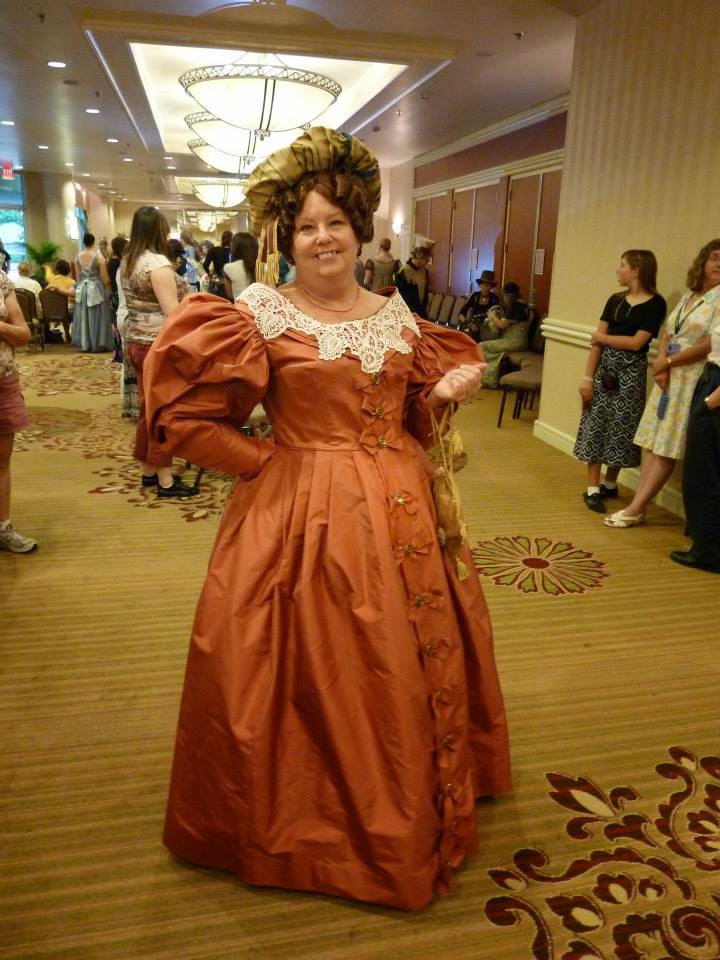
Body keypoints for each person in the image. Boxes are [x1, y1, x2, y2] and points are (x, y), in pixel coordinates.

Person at [143, 126, 511, 911]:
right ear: (287, 237)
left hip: (403, 509)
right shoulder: (259, 315)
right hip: (301, 519)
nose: (322, 239)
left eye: (335, 223)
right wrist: (267, 464)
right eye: (306, 226)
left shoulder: (396, 314)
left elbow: (411, 412)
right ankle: (313, 823)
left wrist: (441, 395)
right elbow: (186, 417)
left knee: (399, 659)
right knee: (315, 671)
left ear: (358, 229)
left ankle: (409, 796)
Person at [604, 239, 719, 528]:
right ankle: (639, 504)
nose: (719, 264)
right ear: (703, 261)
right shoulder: (691, 295)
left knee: (667, 444)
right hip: (668, 375)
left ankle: (636, 507)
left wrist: (668, 361)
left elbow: (710, 343)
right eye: (715, 257)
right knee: (653, 440)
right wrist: (662, 364)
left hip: (692, 378)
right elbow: (669, 330)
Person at [574, 250, 666, 513]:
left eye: (623, 265)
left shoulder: (656, 304)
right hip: (605, 368)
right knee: (596, 422)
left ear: (636, 270)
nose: (618, 270)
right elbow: (597, 343)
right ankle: (593, 487)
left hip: (631, 372)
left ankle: (610, 483)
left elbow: (637, 342)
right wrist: (587, 378)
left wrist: (603, 339)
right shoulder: (614, 300)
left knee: (622, 425)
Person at [119, 207, 195, 498]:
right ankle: (166, 479)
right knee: (163, 411)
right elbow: (172, 313)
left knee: (149, 409)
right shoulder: (157, 264)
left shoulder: (128, 261)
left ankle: (149, 470)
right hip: (158, 345)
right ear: (159, 230)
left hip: (137, 342)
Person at [670, 298, 720, 572]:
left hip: (716, 388)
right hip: (711, 379)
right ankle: (706, 543)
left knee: (703, 473)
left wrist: (711, 401)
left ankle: (708, 551)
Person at [0, 269, 36, 553]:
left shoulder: (1, 279)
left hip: (3, 380)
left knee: (1, 461)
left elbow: (23, 334)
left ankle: (3, 528)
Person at [478, 281, 529, 387]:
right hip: (519, 341)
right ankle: (489, 376)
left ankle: (488, 379)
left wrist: (493, 317)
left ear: (509, 295)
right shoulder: (523, 306)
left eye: (504, 296)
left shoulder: (516, 307)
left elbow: (502, 325)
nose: (504, 299)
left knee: (481, 346)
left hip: (514, 342)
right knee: (491, 347)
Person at [72, 232, 112, 352]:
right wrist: (108, 289)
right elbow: (104, 278)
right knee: (97, 315)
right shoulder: (98, 257)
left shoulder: (77, 257)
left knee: (84, 315)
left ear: (84, 242)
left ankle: (86, 343)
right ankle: (97, 342)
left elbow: (78, 277)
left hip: (83, 288)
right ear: (93, 242)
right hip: (96, 288)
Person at [394, 238, 433, 316]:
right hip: (407, 313)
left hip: (421, 313)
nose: (427, 262)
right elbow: (399, 296)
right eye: (426, 259)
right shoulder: (404, 271)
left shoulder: (425, 271)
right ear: (418, 255)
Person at [457, 270, 499, 341]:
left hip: (486, 329)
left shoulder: (494, 299)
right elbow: (461, 314)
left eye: (490, 286)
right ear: (480, 285)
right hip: (471, 324)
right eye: (486, 285)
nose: (488, 288)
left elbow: (496, 318)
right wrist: (467, 323)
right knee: (464, 334)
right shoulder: (475, 296)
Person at [107, 236, 127, 364]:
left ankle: (118, 350)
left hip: (114, 293)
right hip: (119, 293)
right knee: (118, 323)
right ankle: (119, 351)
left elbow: (108, 281)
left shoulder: (110, 262)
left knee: (115, 323)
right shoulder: (121, 264)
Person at [223, 231, 258, 301]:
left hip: (241, 306)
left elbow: (230, 295)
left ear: (235, 248)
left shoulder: (228, 268)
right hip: (261, 305)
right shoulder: (261, 266)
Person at [204, 231, 232, 297]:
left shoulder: (214, 250)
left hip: (216, 281)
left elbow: (205, 265)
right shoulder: (233, 252)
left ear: (222, 239)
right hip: (230, 283)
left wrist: (210, 275)